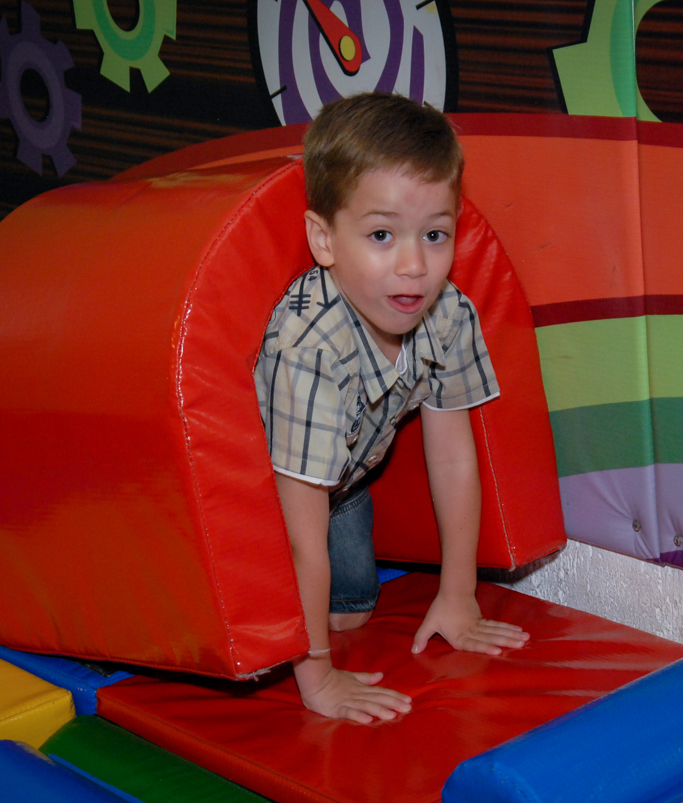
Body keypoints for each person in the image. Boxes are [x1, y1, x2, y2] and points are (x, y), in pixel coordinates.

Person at [254, 93, 528, 724]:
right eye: (382, 235)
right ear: (324, 239)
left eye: (435, 234)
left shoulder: (448, 312)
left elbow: (453, 452)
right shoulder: (310, 346)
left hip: (340, 482)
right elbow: (299, 532)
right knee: (279, 628)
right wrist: (317, 675)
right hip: (269, 495)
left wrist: (458, 595)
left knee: (351, 606)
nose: (414, 266)